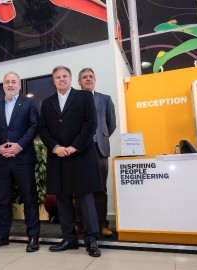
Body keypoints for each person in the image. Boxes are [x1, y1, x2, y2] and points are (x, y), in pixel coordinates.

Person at [38, 66, 102, 257]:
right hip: (58, 156)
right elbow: (43, 129)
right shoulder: (47, 102)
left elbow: (91, 124)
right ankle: (69, 238)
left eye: (65, 76)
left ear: (71, 78)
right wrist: (55, 147)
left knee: (85, 198)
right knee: (62, 198)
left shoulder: (84, 97)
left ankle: (91, 240)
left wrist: (74, 146)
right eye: (57, 77)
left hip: (81, 155)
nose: (61, 79)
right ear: (53, 81)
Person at [0, 71, 40, 253]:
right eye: (7, 82)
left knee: (29, 199)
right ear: (3, 85)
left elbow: (33, 127)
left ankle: (33, 237)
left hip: (22, 159)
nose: (10, 84)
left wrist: (19, 146)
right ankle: (2, 236)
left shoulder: (28, 104)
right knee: (2, 200)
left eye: (13, 82)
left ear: (19, 85)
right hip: (1, 160)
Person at [77, 67, 117, 237]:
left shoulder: (105, 99)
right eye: (84, 77)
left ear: (95, 80)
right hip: (79, 150)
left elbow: (111, 124)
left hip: (99, 149)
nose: (88, 79)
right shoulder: (74, 100)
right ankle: (80, 224)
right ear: (79, 82)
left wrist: (100, 137)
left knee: (100, 189)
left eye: (91, 77)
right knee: (79, 188)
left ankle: (102, 224)